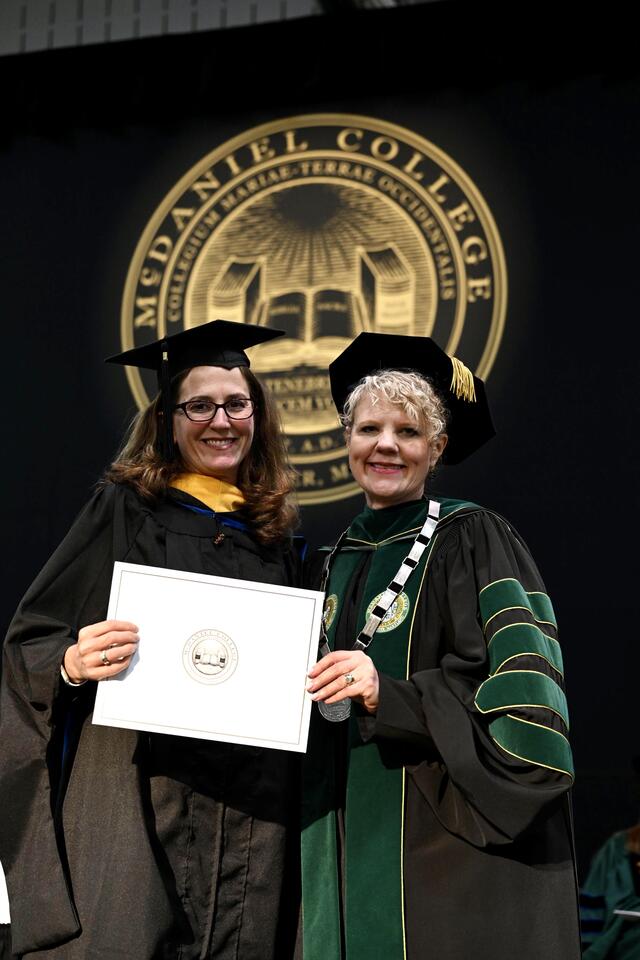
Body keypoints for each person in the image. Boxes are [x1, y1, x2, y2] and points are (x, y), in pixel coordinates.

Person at [0, 320, 300, 959]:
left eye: (236, 403)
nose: (221, 420)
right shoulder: (124, 510)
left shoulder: (276, 538)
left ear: (258, 414)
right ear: (168, 418)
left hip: (252, 816)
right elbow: (32, 640)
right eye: (200, 405)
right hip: (140, 798)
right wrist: (74, 662)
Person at [301, 333, 580, 959]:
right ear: (346, 442)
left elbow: (519, 691)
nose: (386, 446)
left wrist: (388, 697)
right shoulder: (329, 563)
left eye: (408, 432)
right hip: (335, 832)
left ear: (438, 448)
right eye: (369, 428)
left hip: (436, 837)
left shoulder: (471, 537)